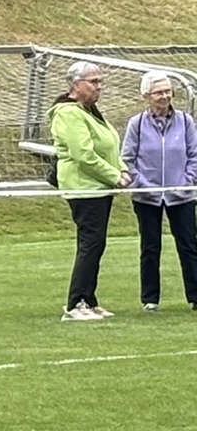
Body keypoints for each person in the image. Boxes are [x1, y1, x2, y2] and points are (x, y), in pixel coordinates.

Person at [49, 59, 128, 321]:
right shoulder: (69, 113)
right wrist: (114, 176)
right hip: (84, 188)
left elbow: (107, 145)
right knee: (91, 244)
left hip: (99, 187)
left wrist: (122, 169)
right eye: (94, 82)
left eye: (100, 81)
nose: (99, 87)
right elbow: (84, 154)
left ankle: (89, 300)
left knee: (96, 244)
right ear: (76, 85)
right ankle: (76, 303)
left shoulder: (89, 111)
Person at [122, 72, 197, 312]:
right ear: (146, 96)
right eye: (158, 92)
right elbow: (128, 160)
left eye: (167, 91)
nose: (164, 96)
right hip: (147, 197)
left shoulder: (185, 121)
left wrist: (186, 182)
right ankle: (150, 299)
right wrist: (143, 185)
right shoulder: (136, 124)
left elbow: (194, 156)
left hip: (181, 195)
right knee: (150, 247)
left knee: (188, 245)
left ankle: (195, 296)